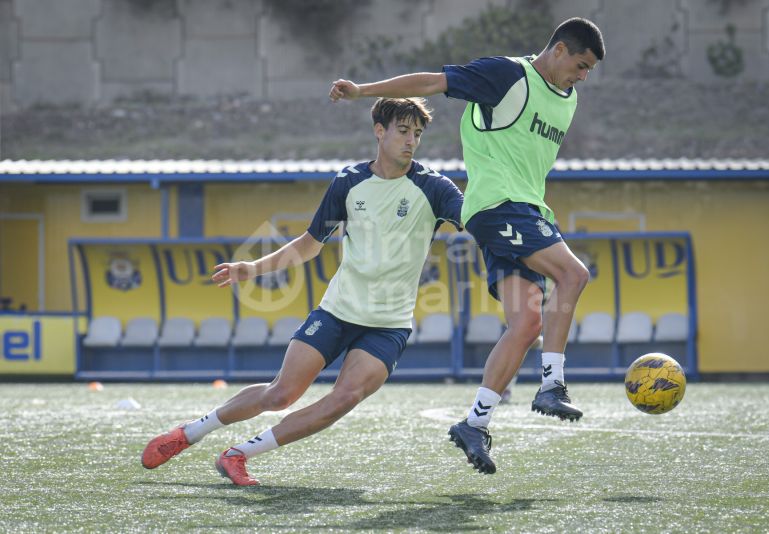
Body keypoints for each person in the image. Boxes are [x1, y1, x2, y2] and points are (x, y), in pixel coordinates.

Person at [330, 17, 605, 475]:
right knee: (573, 274)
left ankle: (474, 423)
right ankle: (552, 383)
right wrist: (363, 90)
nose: (583, 76)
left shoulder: (568, 99)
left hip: (528, 211)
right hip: (499, 207)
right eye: (580, 64)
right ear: (558, 49)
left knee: (527, 322)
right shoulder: (507, 76)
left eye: (589, 69)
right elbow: (433, 82)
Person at [141, 97, 463, 485]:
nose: (411, 141)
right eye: (403, 131)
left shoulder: (435, 188)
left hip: (388, 325)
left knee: (343, 399)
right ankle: (189, 433)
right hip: (337, 312)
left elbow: (477, 218)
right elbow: (310, 243)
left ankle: (238, 455)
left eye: (417, 134)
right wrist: (252, 268)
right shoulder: (349, 182)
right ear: (379, 131)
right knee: (280, 394)